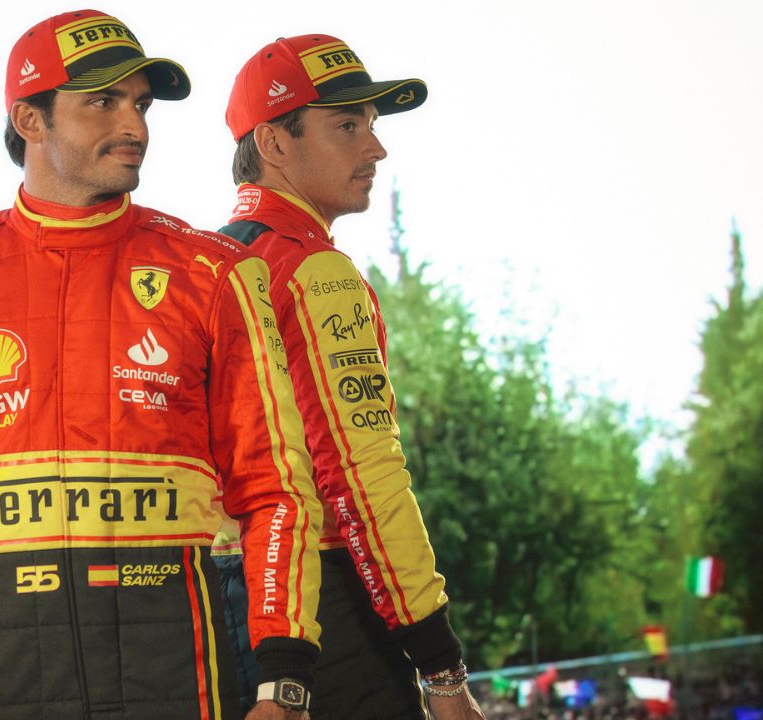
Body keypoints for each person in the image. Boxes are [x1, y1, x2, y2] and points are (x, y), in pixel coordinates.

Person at [0, 11, 323, 719]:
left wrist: (284, 680)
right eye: (103, 101)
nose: (134, 125)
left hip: (182, 678)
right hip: (5, 682)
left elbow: (276, 486)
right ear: (29, 120)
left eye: (140, 103)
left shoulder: (214, 275)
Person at [212, 34, 487, 720]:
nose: (376, 147)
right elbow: (362, 476)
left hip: (215, 604)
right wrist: (442, 670)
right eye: (347, 126)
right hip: (319, 599)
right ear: (274, 144)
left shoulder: (204, 268)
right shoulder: (316, 272)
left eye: (371, 124)